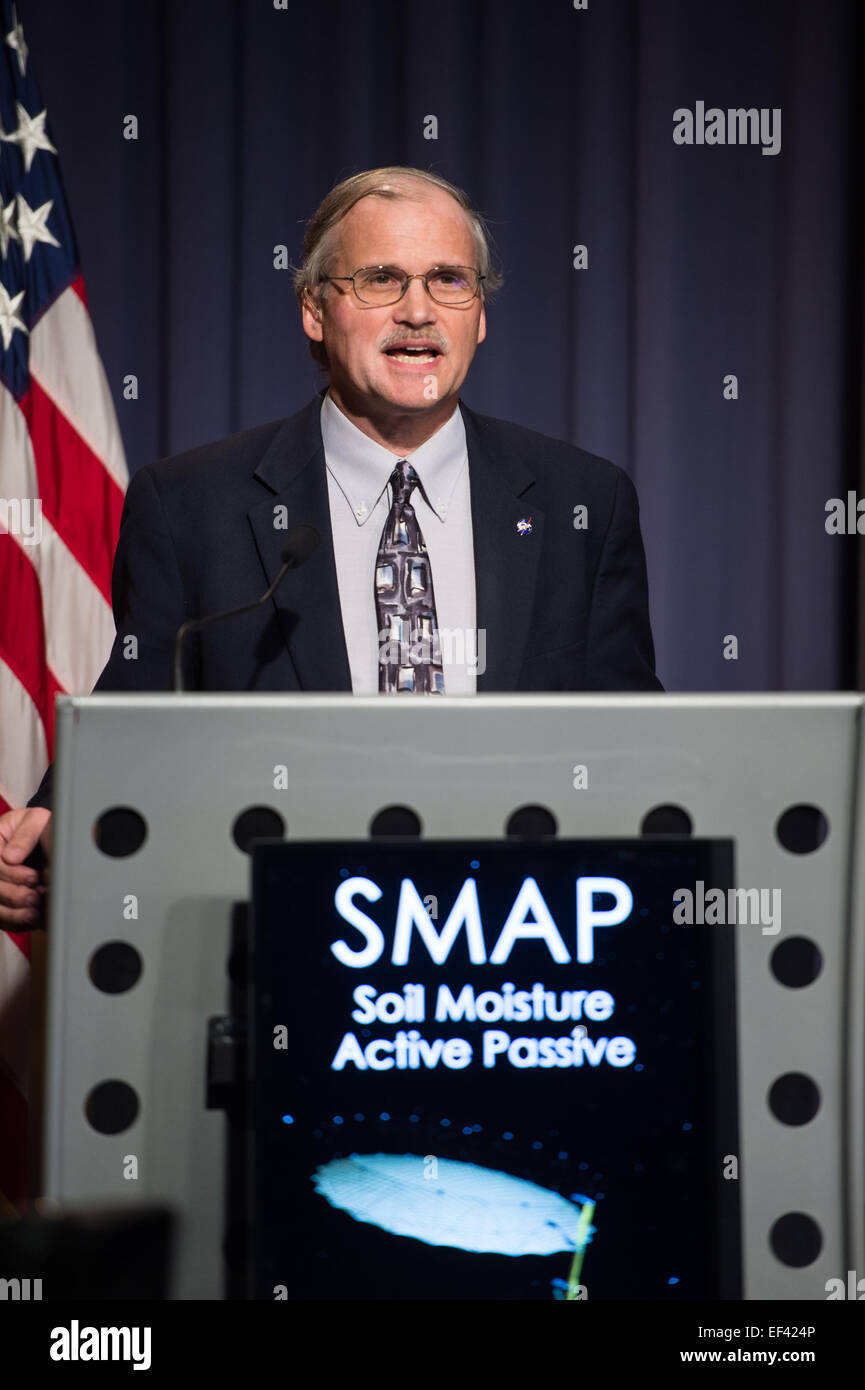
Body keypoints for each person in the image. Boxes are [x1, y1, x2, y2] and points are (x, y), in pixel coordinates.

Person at [0, 165, 662, 929]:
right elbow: (138, 712)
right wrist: (55, 821)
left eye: (449, 280)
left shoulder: (582, 500)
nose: (418, 312)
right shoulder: (191, 504)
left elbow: (630, 740)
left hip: (520, 943)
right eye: (381, 280)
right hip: (276, 941)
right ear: (315, 309)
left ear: (478, 314)